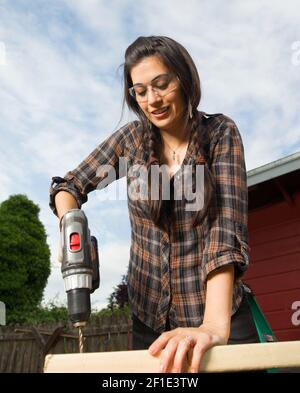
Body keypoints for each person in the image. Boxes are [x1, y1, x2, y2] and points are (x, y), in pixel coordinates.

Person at [49, 36, 260, 373]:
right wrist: (70, 221)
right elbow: (69, 185)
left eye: (162, 85)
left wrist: (212, 327)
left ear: (185, 80)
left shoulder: (220, 133)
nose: (153, 100)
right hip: (150, 326)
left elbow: (224, 232)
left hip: (219, 319)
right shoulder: (132, 142)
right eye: (140, 91)